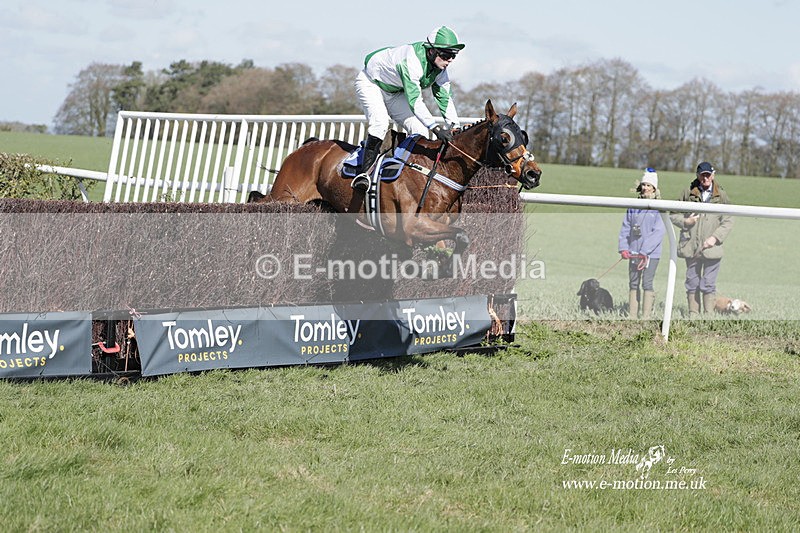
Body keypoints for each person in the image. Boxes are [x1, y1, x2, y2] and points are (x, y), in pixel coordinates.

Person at [351, 26, 465, 191]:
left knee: (420, 131)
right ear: (431, 51)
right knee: (380, 123)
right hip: (371, 84)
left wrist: (455, 125)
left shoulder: (440, 70)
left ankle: (408, 175)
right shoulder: (412, 62)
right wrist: (436, 127)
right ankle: (363, 174)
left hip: (395, 91)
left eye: (453, 56)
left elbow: (445, 98)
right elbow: (415, 101)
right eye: (446, 55)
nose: (450, 60)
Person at [669, 162, 734, 317]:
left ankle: (708, 315)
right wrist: (686, 222)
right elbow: (673, 213)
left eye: (708, 175)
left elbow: (729, 219)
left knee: (708, 283)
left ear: (713, 175)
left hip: (712, 248)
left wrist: (715, 238)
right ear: (697, 175)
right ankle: (693, 314)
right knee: (692, 282)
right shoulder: (687, 193)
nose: (705, 178)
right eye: (702, 175)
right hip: (691, 245)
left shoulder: (721, 195)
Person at [618, 168, 666, 319]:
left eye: (648, 185)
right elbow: (626, 227)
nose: (645, 188)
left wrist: (644, 252)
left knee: (647, 283)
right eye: (644, 185)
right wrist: (623, 248)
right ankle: (632, 316)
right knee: (633, 283)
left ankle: (645, 317)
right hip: (633, 252)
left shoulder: (660, 208)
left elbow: (658, 232)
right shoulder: (633, 206)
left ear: (654, 188)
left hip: (651, 255)